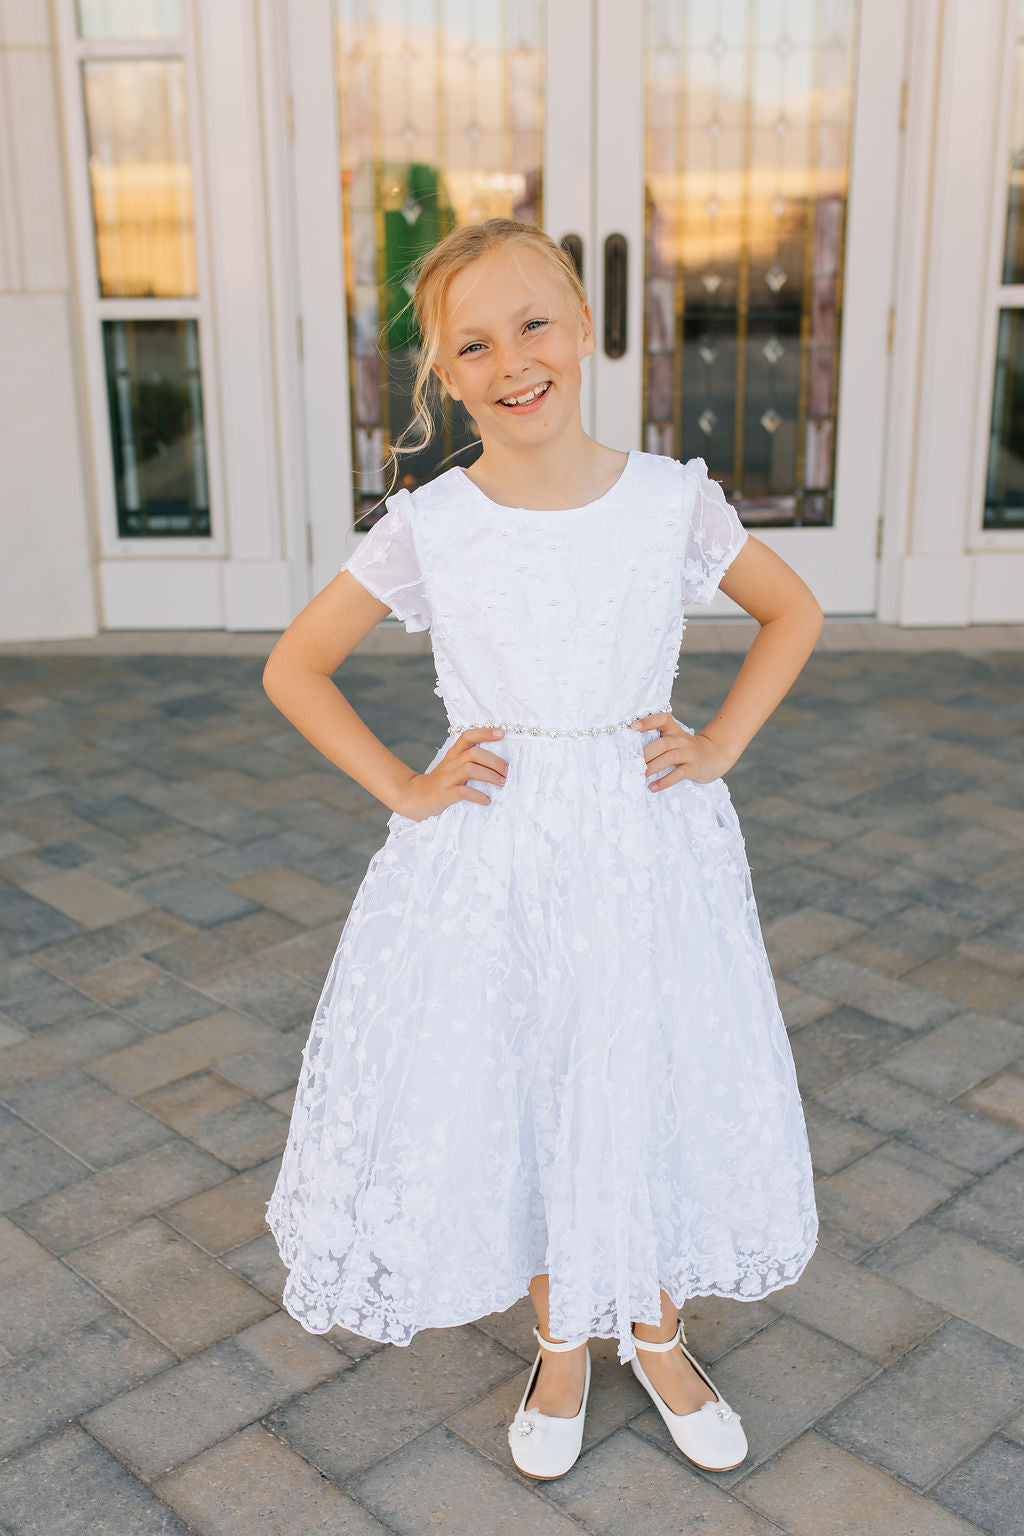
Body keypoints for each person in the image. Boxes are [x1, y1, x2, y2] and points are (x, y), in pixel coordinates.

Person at [264, 217, 822, 1482]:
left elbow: (792, 610)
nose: (510, 360)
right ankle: (561, 1334)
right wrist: (406, 786)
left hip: (640, 844)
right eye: (473, 344)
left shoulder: (670, 501)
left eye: (531, 326)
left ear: (581, 332)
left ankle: (658, 1326)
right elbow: (295, 666)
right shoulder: (434, 521)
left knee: (642, 1066)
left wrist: (721, 743)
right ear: (446, 375)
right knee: (524, 1079)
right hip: (495, 848)